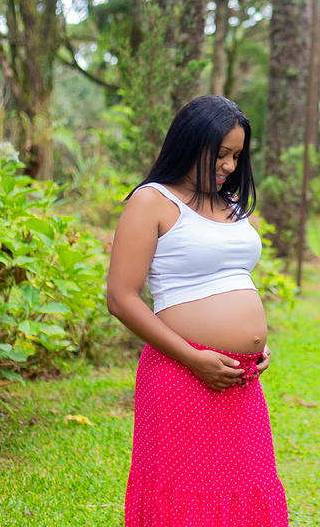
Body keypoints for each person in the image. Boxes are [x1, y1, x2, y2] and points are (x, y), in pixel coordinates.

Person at [107, 95, 289, 526]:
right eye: (221, 153)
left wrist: (256, 346)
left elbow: (230, 278)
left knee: (245, 490)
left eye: (236, 156)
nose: (229, 165)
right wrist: (193, 357)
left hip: (239, 380)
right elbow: (121, 297)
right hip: (180, 374)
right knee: (186, 498)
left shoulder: (230, 204)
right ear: (190, 142)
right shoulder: (152, 201)